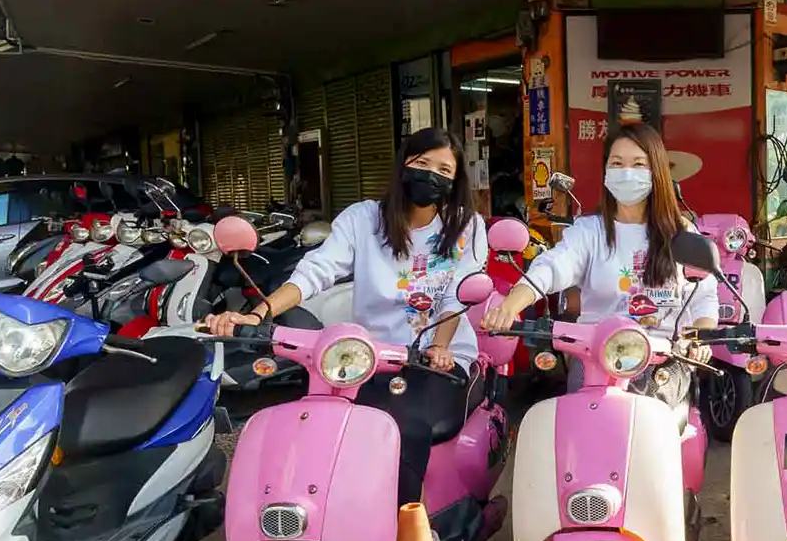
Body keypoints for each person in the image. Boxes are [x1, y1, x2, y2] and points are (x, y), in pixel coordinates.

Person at [204, 127, 486, 503]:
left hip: (435, 360)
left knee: (402, 428)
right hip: (367, 358)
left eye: (443, 170)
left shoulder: (467, 225)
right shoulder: (363, 219)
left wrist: (440, 346)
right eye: (422, 163)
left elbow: (457, 294)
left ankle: (404, 535)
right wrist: (259, 314)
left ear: (454, 181)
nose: (431, 174)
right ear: (404, 165)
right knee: (325, 427)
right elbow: (317, 270)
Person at [480, 123, 716, 381]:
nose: (627, 173)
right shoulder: (588, 231)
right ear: (605, 171)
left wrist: (699, 339)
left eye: (638, 164)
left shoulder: (681, 233)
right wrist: (511, 304)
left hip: (664, 363)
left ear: (656, 171)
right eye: (617, 164)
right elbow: (551, 267)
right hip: (597, 360)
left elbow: (703, 296)